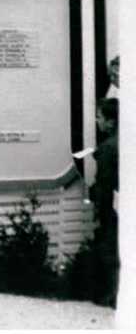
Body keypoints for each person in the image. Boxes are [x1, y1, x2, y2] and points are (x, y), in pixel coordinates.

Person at [89, 97, 119, 307]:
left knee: (110, 249)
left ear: (111, 121)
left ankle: (112, 295)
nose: (96, 122)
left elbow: (104, 184)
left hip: (113, 207)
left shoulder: (108, 147)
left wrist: (99, 209)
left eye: (99, 117)